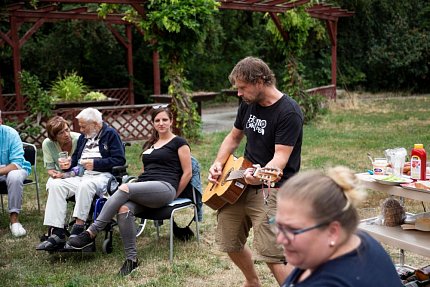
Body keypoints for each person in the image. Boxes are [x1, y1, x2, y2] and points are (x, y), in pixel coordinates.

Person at [207, 56, 304, 286]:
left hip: (273, 186)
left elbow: (280, 158)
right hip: (240, 181)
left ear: (260, 80)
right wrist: (218, 163)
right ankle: (252, 281)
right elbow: (233, 137)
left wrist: (259, 175)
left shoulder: (288, 112)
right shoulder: (248, 104)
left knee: (271, 252)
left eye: (242, 87)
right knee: (228, 240)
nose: (239, 93)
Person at [67, 106, 192, 276]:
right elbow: (145, 170)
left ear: (171, 121)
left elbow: (187, 172)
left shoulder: (179, 143)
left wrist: (174, 194)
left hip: (165, 187)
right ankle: (131, 260)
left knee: (124, 187)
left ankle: (91, 231)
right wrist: (139, 185)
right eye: (157, 120)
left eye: (164, 119)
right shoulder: (150, 144)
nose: (161, 123)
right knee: (124, 209)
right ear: (153, 123)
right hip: (146, 189)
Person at [276, 166, 403, 287]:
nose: (279, 239)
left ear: (332, 232)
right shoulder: (360, 241)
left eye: (292, 230)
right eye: (279, 226)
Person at [37, 108, 126, 251]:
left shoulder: (110, 135)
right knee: (55, 184)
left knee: (86, 184)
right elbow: (77, 158)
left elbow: (119, 160)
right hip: (84, 175)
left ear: (96, 124)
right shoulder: (84, 137)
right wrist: (68, 163)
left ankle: (79, 229)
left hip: (103, 176)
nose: (81, 130)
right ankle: (57, 231)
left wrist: (96, 164)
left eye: (83, 126)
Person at [0, 110, 32, 237]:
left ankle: (14, 221)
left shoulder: (10, 134)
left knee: (14, 175)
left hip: (16, 169)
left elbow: (16, 164)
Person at [42, 116, 80, 180]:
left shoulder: (79, 139)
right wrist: (55, 174)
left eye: (67, 130)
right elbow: (50, 168)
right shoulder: (48, 143)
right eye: (61, 133)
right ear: (54, 136)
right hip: (60, 174)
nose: (66, 135)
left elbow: (82, 167)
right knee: (54, 184)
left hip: (79, 174)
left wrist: (65, 175)